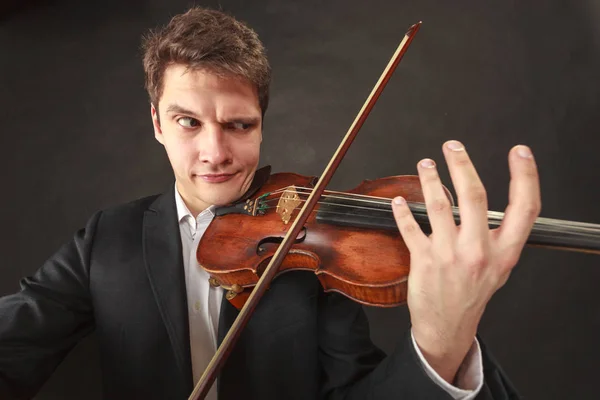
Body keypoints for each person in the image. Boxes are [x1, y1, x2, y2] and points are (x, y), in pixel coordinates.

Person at [0, 6, 539, 400]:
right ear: (158, 123)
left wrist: (441, 345)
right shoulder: (105, 240)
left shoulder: (313, 255)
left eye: (239, 125)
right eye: (189, 122)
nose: (215, 152)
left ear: (262, 124)